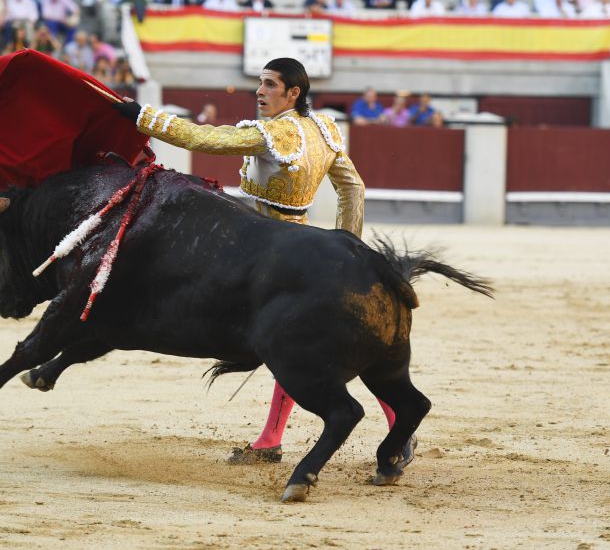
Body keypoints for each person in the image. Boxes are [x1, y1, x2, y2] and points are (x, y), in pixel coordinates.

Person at [110, 58, 411, 467]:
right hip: (303, 240)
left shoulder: (271, 134)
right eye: (260, 83)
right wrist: (347, 247)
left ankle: (272, 439)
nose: (259, 91)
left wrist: (142, 116)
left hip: (266, 248)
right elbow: (353, 189)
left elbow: (202, 139)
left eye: (270, 85)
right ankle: (392, 426)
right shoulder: (323, 129)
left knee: (283, 346)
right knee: (330, 349)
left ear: (293, 94)